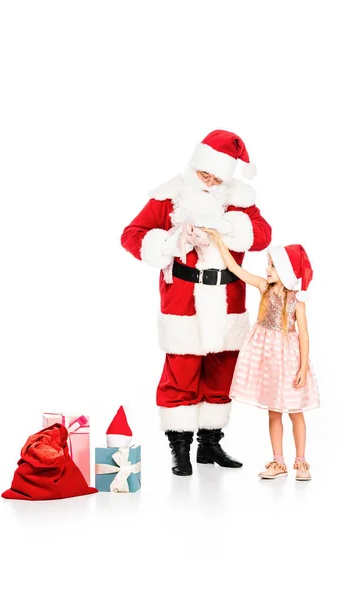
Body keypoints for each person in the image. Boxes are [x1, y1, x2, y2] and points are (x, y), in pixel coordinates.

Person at [121, 130, 272, 476]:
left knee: (222, 374)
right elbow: (131, 235)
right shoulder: (170, 196)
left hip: (228, 300)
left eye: (218, 177)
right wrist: (173, 240)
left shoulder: (239, 197)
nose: (211, 182)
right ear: (196, 166)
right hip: (183, 306)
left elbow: (263, 234)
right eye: (206, 174)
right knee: (181, 376)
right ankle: (180, 449)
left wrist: (228, 226)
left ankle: (210, 444)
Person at [204, 229, 320, 481]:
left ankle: (301, 461)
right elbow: (235, 268)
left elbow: (304, 335)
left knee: (295, 411)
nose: (267, 269)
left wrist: (301, 369)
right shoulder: (263, 287)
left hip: (288, 360)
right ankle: (278, 462)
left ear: (287, 271)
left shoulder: (297, 300)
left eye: (273, 266)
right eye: (268, 264)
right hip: (267, 359)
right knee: (274, 411)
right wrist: (219, 240)